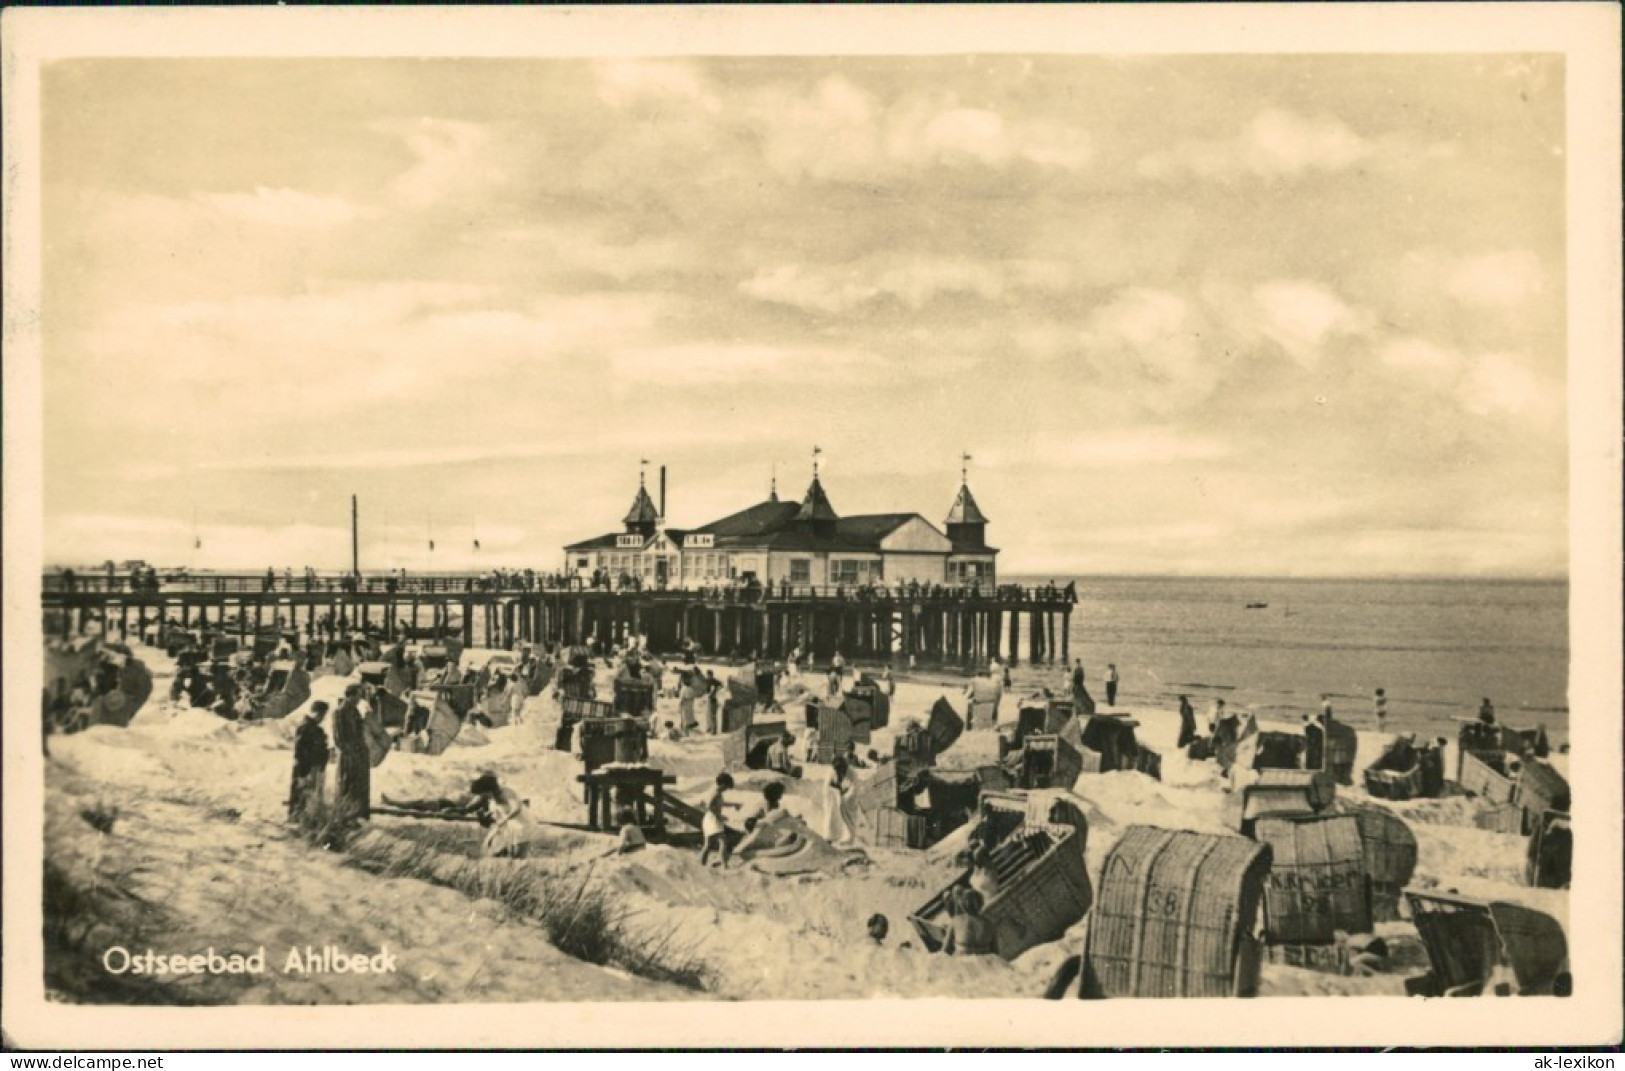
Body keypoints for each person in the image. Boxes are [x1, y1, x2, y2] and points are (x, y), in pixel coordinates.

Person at [332, 688, 372, 822]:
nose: (359, 699)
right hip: (348, 755)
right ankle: (345, 815)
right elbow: (339, 737)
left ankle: (357, 813)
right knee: (347, 783)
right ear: (350, 696)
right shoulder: (340, 712)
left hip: (358, 753)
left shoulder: (354, 711)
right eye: (358, 695)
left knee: (358, 784)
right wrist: (349, 752)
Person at [470, 772, 531, 858]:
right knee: (490, 850)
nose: (482, 796)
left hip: (522, 825)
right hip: (507, 827)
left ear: (489, 790)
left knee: (517, 856)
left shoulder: (508, 792)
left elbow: (516, 808)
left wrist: (504, 820)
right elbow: (496, 820)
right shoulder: (492, 801)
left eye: (483, 793)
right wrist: (485, 818)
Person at [289, 702, 330, 822]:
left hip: (313, 768)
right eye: (322, 715)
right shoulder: (305, 727)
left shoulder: (315, 728)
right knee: (303, 794)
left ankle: (306, 819)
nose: (323, 718)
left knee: (310, 795)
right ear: (316, 713)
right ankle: (298, 819)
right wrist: (304, 772)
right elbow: (300, 751)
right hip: (306, 768)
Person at [699, 772, 737, 868]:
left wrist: (734, 804)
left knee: (708, 845)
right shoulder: (715, 792)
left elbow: (720, 804)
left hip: (711, 819)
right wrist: (720, 816)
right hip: (713, 819)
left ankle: (701, 865)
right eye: (726, 787)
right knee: (723, 841)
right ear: (723, 784)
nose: (726, 789)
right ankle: (724, 865)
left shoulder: (717, 792)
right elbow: (709, 806)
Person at [944, 886, 995, 956]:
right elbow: (995, 952)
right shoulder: (990, 924)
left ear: (963, 905)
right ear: (981, 903)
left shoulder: (955, 921)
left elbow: (945, 950)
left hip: (964, 962)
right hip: (986, 962)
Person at [821, 756, 858, 846]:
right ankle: (830, 836)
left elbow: (853, 789)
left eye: (841, 769)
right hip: (834, 799)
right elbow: (826, 787)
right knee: (831, 815)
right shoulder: (832, 772)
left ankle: (848, 838)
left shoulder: (852, 773)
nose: (839, 771)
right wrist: (836, 793)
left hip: (847, 800)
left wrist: (843, 798)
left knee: (847, 818)